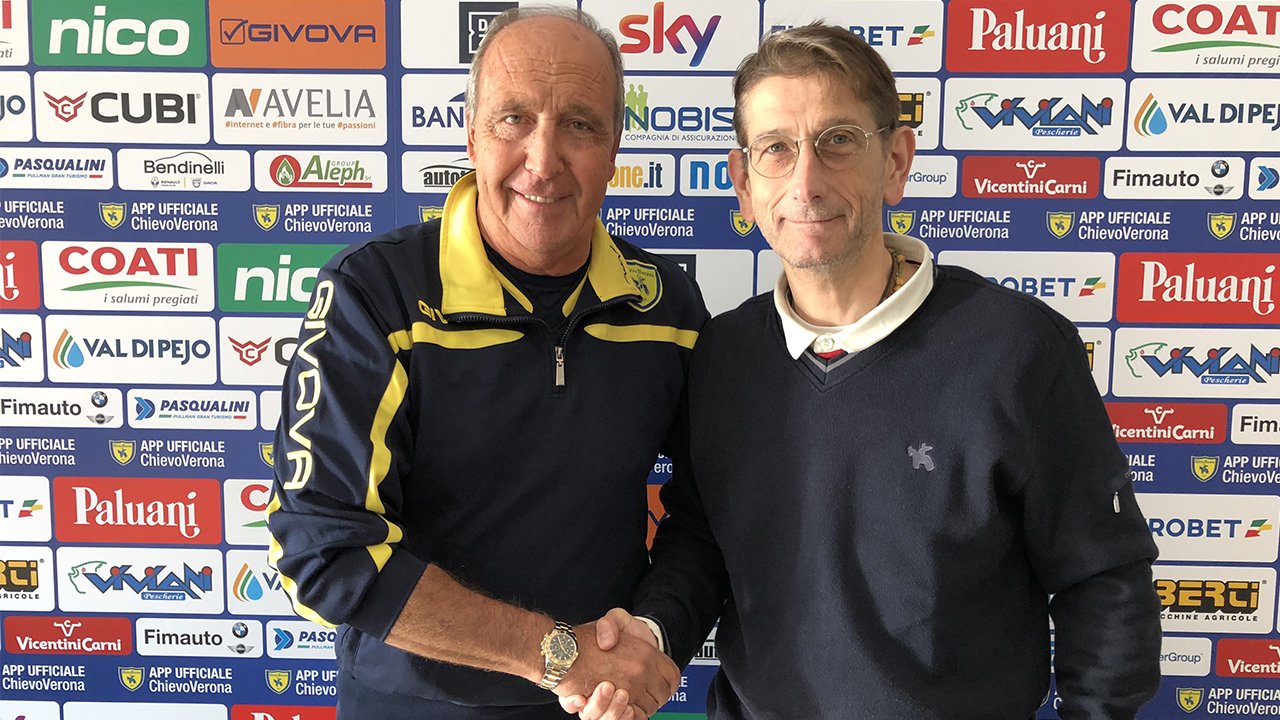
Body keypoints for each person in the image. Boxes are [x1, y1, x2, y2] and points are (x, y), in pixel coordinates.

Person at [565, 22, 1162, 720]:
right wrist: (653, 634)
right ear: (744, 184)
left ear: (896, 161)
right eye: (776, 149)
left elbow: (1104, 579)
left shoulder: (1019, 349)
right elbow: (701, 539)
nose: (806, 182)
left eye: (838, 141)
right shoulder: (722, 355)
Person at [265, 6, 703, 719]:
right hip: (411, 706)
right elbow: (323, 549)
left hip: (603, 704)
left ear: (615, 147)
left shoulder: (668, 305)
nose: (543, 160)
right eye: (513, 119)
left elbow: (705, 516)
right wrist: (556, 655)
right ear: (471, 134)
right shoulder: (376, 293)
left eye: (580, 125)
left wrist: (651, 637)